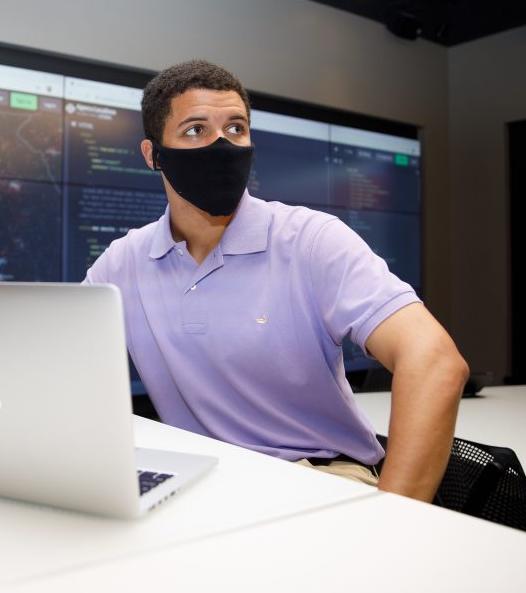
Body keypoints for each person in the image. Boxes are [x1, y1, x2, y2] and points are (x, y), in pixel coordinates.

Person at [84, 60, 469, 501]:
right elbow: (58, 368)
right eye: (195, 130)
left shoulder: (311, 240)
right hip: (200, 485)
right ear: (153, 155)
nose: (221, 145)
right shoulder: (122, 263)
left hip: (315, 477)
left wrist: (394, 519)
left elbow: (435, 361)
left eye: (235, 129)